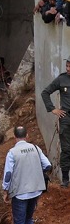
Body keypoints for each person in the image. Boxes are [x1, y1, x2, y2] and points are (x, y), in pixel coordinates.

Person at [2, 125, 51, 224]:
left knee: (19, 222)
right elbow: (48, 165)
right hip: (35, 190)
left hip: (20, 193)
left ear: (14, 137)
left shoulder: (12, 153)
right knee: (28, 219)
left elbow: (8, 173)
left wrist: (5, 190)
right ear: (27, 136)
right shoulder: (35, 148)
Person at [41, 58, 70, 187]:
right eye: (67, 66)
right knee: (66, 150)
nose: (68, 69)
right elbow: (45, 92)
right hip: (66, 119)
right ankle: (65, 179)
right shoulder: (61, 79)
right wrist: (53, 109)